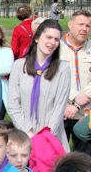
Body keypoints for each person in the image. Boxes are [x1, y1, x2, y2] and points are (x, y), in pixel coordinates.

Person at [8, 19, 71, 151]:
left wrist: (44, 137)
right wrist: (29, 134)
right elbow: (13, 105)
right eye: (48, 37)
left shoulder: (63, 69)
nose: (52, 43)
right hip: (23, 137)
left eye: (56, 39)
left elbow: (59, 108)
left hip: (51, 138)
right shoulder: (19, 66)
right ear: (37, 38)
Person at [60, 10, 91, 156]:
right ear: (70, 24)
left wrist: (78, 104)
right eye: (80, 24)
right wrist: (70, 103)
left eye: (88, 26)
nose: (84, 29)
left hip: (86, 112)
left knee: (84, 159)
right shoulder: (57, 48)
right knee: (60, 158)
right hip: (62, 111)